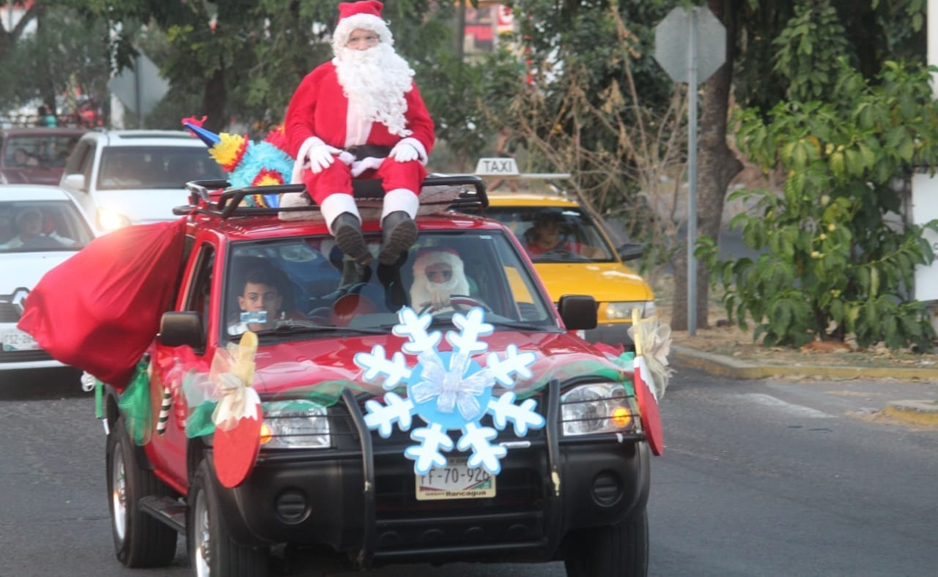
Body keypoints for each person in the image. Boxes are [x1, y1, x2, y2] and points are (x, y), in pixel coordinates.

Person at [282, 0, 435, 267]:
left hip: (386, 159)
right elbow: (296, 123)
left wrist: (413, 142)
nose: (363, 45)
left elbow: (423, 124)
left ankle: (397, 225)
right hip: (335, 157)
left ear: (381, 40)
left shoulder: (400, 78)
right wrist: (313, 146)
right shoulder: (319, 78)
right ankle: (345, 225)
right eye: (355, 39)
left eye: (369, 38)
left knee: (406, 167)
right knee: (326, 172)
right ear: (343, 43)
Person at [228, 266, 289, 335]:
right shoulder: (229, 336)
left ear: (278, 303)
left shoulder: (291, 333)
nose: (261, 304)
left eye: (268, 297)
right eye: (253, 298)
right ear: (242, 303)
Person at [409, 248, 471, 314]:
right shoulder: (406, 315)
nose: (440, 281)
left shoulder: (474, 291)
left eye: (446, 273)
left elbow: (477, 315)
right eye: (431, 274)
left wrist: (456, 302)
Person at [523, 212, 604, 259]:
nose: (551, 229)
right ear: (537, 229)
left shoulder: (570, 247)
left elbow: (599, 252)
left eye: (555, 226)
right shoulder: (525, 250)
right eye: (546, 225)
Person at [0, 207, 75, 249]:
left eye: (36, 219)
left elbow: (76, 245)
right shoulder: (10, 246)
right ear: (19, 224)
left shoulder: (53, 239)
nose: (33, 222)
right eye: (28, 219)